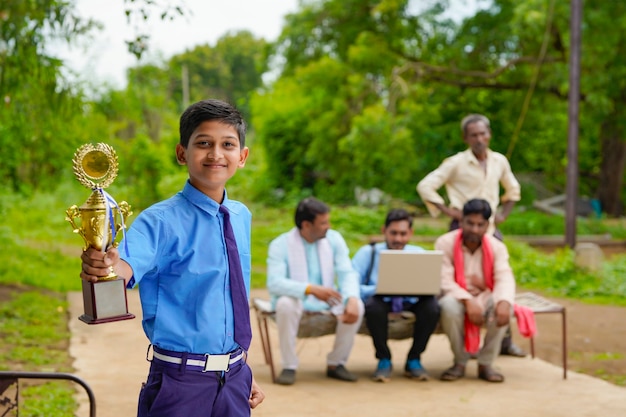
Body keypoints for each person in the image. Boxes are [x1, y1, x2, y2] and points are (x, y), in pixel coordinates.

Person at [79, 99, 264, 417]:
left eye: (227, 144)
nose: (216, 154)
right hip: (180, 383)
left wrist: (239, 367)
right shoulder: (159, 220)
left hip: (234, 379)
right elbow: (126, 264)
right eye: (203, 143)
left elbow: (229, 301)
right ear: (182, 153)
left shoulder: (240, 215)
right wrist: (107, 266)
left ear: (242, 156)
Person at [417, 113, 525, 357]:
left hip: (489, 230)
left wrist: (502, 215)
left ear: (489, 135)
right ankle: (463, 343)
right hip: (461, 228)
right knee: (455, 281)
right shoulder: (455, 163)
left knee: (499, 283)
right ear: (465, 138)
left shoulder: (499, 161)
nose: (479, 139)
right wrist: (448, 210)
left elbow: (513, 190)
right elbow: (425, 185)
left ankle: (504, 342)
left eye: (483, 133)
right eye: (473, 135)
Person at [266, 197, 365, 386]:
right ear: (306, 224)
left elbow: (347, 272)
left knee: (357, 306)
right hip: (297, 301)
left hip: (329, 300)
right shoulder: (280, 245)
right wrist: (309, 289)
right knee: (285, 303)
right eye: (323, 223)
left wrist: (352, 297)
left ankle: (336, 364)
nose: (328, 226)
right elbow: (274, 283)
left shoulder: (334, 239)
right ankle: (289, 365)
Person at [352, 209, 440, 382]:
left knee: (432, 307)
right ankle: (384, 358)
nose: (398, 239)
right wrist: (379, 288)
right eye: (393, 233)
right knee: (373, 307)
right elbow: (352, 284)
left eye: (403, 234)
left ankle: (414, 358)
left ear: (411, 233)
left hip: (410, 300)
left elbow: (430, 284)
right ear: (383, 230)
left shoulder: (419, 253)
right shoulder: (367, 253)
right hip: (380, 300)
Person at [435, 198, 516, 383]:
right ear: (461, 221)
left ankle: (486, 364)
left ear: (488, 225)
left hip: (485, 295)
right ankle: (460, 362)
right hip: (456, 297)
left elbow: (504, 277)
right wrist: (467, 300)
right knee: (448, 306)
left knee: (505, 308)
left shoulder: (497, 247)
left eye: (480, 225)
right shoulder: (444, 243)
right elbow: (444, 280)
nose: (475, 229)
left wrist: (503, 302)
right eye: (470, 223)